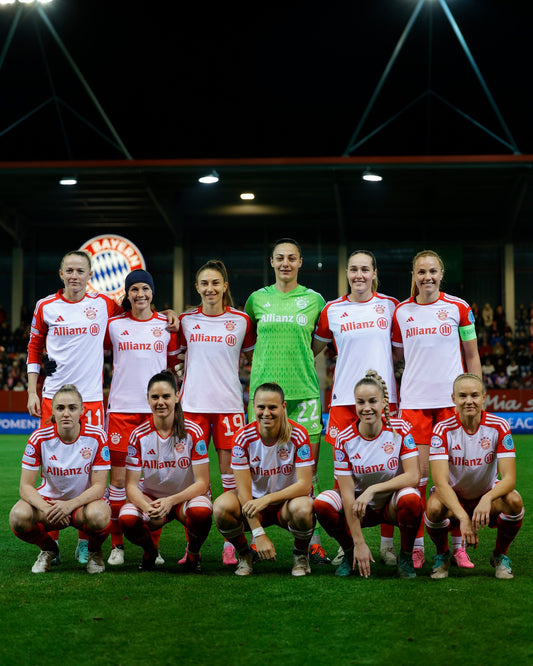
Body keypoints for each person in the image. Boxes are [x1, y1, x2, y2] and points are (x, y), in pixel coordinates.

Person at [26, 250, 122, 564]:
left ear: (89, 274)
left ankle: (85, 541)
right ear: (61, 273)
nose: (75, 276)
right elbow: (34, 348)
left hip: (92, 400)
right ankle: (49, 541)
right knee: (51, 468)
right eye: (69, 270)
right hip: (54, 398)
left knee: (89, 472)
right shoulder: (46, 306)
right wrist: (32, 390)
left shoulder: (104, 304)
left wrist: (172, 314)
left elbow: (136, 312)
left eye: (80, 270)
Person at [392, 250, 481, 569]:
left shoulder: (459, 308)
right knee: (416, 479)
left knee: (453, 478)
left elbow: (471, 356)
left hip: (450, 405)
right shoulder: (401, 312)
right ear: (413, 276)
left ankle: (457, 547)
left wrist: (476, 397)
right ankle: (416, 547)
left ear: (441, 274)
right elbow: (397, 357)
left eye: (432, 271)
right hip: (414, 405)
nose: (426, 277)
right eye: (420, 272)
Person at [312, 249, 399, 566]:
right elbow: (313, 351)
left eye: (365, 269)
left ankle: (386, 545)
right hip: (343, 402)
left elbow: (401, 351)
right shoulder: (332, 310)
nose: (359, 274)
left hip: (383, 401)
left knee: (391, 468)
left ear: (375, 273)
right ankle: (347, 545)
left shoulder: (390, 307)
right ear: (346, 273)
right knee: (341, 477)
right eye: (353, 269)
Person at [244, 238, 329, 564]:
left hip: (304, 394)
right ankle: (249, 535)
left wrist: (298, 361)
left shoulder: (314, 300)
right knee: (254, 469)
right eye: (280, 258)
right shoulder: (256, 300)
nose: (285, 263)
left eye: (291, 258)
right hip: (264, 398)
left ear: (300, 262)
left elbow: (318, 343)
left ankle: (313, 541)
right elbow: (248, 341)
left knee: (309, 474)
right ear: (272, 262)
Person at [177, 259, 255, 565]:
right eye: (204, 284)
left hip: (228, 408)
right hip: (193, 408)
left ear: (225, 286)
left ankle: (232, 543)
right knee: (194, 483)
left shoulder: (241, 321)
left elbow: (251, 357)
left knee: (231, 480)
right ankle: (192, 549)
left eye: (215, 283)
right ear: (197, 288)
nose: (210, 289)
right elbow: (175, 356)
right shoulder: (184, 321)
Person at [314, 370, 422, 579]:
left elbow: (413, 476)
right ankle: (348, 552)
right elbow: (346, 494)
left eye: (372, 401)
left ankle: (406, 557)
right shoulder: (344, 439)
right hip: (358, 507)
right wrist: (359, 543)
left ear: (383, 403)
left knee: (411, 498)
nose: (366, 408)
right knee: (322, 503)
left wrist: (372, 490)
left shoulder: (400, 429)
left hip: (390, 503)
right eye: (360, 402)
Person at [105, 269, 179, 565]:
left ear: (152, 293)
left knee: (154, 480)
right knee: (119, 480)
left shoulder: (166, 324)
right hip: (121, 410)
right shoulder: (113, 325)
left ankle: (152, 547)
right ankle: (117, 545)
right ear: (127, 293)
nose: (140, 295)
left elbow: (173, 367)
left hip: (156, 410)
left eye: (145, 289)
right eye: (134, 289)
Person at [425, 373, 524, 579]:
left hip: (486, 494)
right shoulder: (442, 430)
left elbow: (509, 479)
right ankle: (443, 555)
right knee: (433, 508)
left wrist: (487, 498)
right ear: (453, 399)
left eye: (474, 395)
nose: (469, 401)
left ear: (484, 398)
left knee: (515, 502)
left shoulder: (499, 426)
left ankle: (500, 555)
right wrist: (463, 517)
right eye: (462, 396)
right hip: (454, 496)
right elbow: (441, 483)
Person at [213, 382, 315, 577]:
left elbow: (304, 485)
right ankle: (245, 554)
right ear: (253, 407)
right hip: (252, 504)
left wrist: (267, 499)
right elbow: (243, 493)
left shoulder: (298, 434)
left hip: (286, 505)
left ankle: (300, 555)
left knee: (303, 508)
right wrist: (258, 534)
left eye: (272, 407)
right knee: (221, 507)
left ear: (283, 407)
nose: (266, 413)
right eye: (261, 407)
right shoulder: (242, 437)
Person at [9, 384, 111, 574]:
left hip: (83, 506)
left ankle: (94, 551)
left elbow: (99, 487)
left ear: (82, 410)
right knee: (18, 517)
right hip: (49, 506)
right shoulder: (39, 437)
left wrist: (69, 505)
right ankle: (49, 549)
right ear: (53, 411)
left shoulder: (97, 436)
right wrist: (47, 508)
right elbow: (25, 487)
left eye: (72, 408)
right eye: (60, 408)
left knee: (100, 515)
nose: (66, 413)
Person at [118, 371, 212, 572]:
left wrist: (171, 501)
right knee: (127, 518)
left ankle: (193, 553)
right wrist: (146, 506)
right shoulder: (138, 435)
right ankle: (150, 551)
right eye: (155, 397)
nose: (160, 402)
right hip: (152, 498)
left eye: (166, 396)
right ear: (148, 399)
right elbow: (131, 486)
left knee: (202, 512)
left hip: (185, 497)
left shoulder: (193, 431)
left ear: (177, 397)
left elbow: (203, 483)